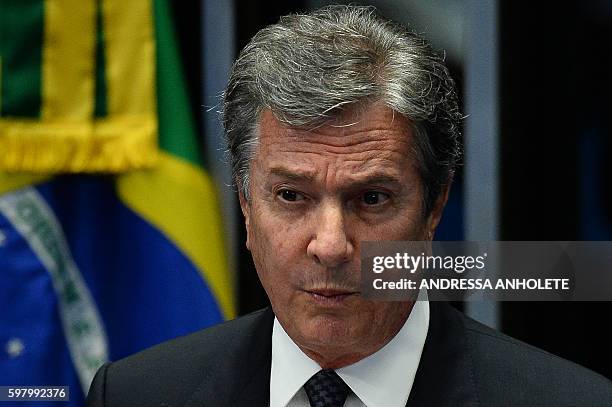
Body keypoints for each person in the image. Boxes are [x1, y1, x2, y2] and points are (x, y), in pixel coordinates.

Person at [87, 5, 611, 407]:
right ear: (247, 206)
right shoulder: (137, 394)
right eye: (291, 196)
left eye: (372, 199)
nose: (331, 245)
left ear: (433, 210)